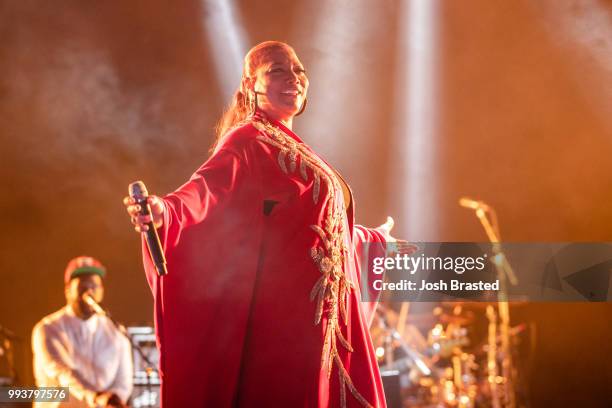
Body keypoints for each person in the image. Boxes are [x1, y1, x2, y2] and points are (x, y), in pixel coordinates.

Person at [125, 41, 415, 407]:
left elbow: (309, 226)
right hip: (289, 328)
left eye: (299, 70)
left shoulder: (295, 147)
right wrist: (164, 211)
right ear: (251, 85)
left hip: (325, 325)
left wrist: (373, 239)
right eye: (278, 69)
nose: (294, 77)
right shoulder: (248, 140)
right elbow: (204, 192)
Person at [32, 256, 133, 408]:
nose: (89, 291)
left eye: (94, 286)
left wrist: (114, 399)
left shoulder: (116, 332)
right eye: (83, 285)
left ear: (102, 292)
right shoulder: (48, 328)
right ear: (68, 291)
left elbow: (123, 383)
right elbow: (63, 372)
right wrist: (96, 397)